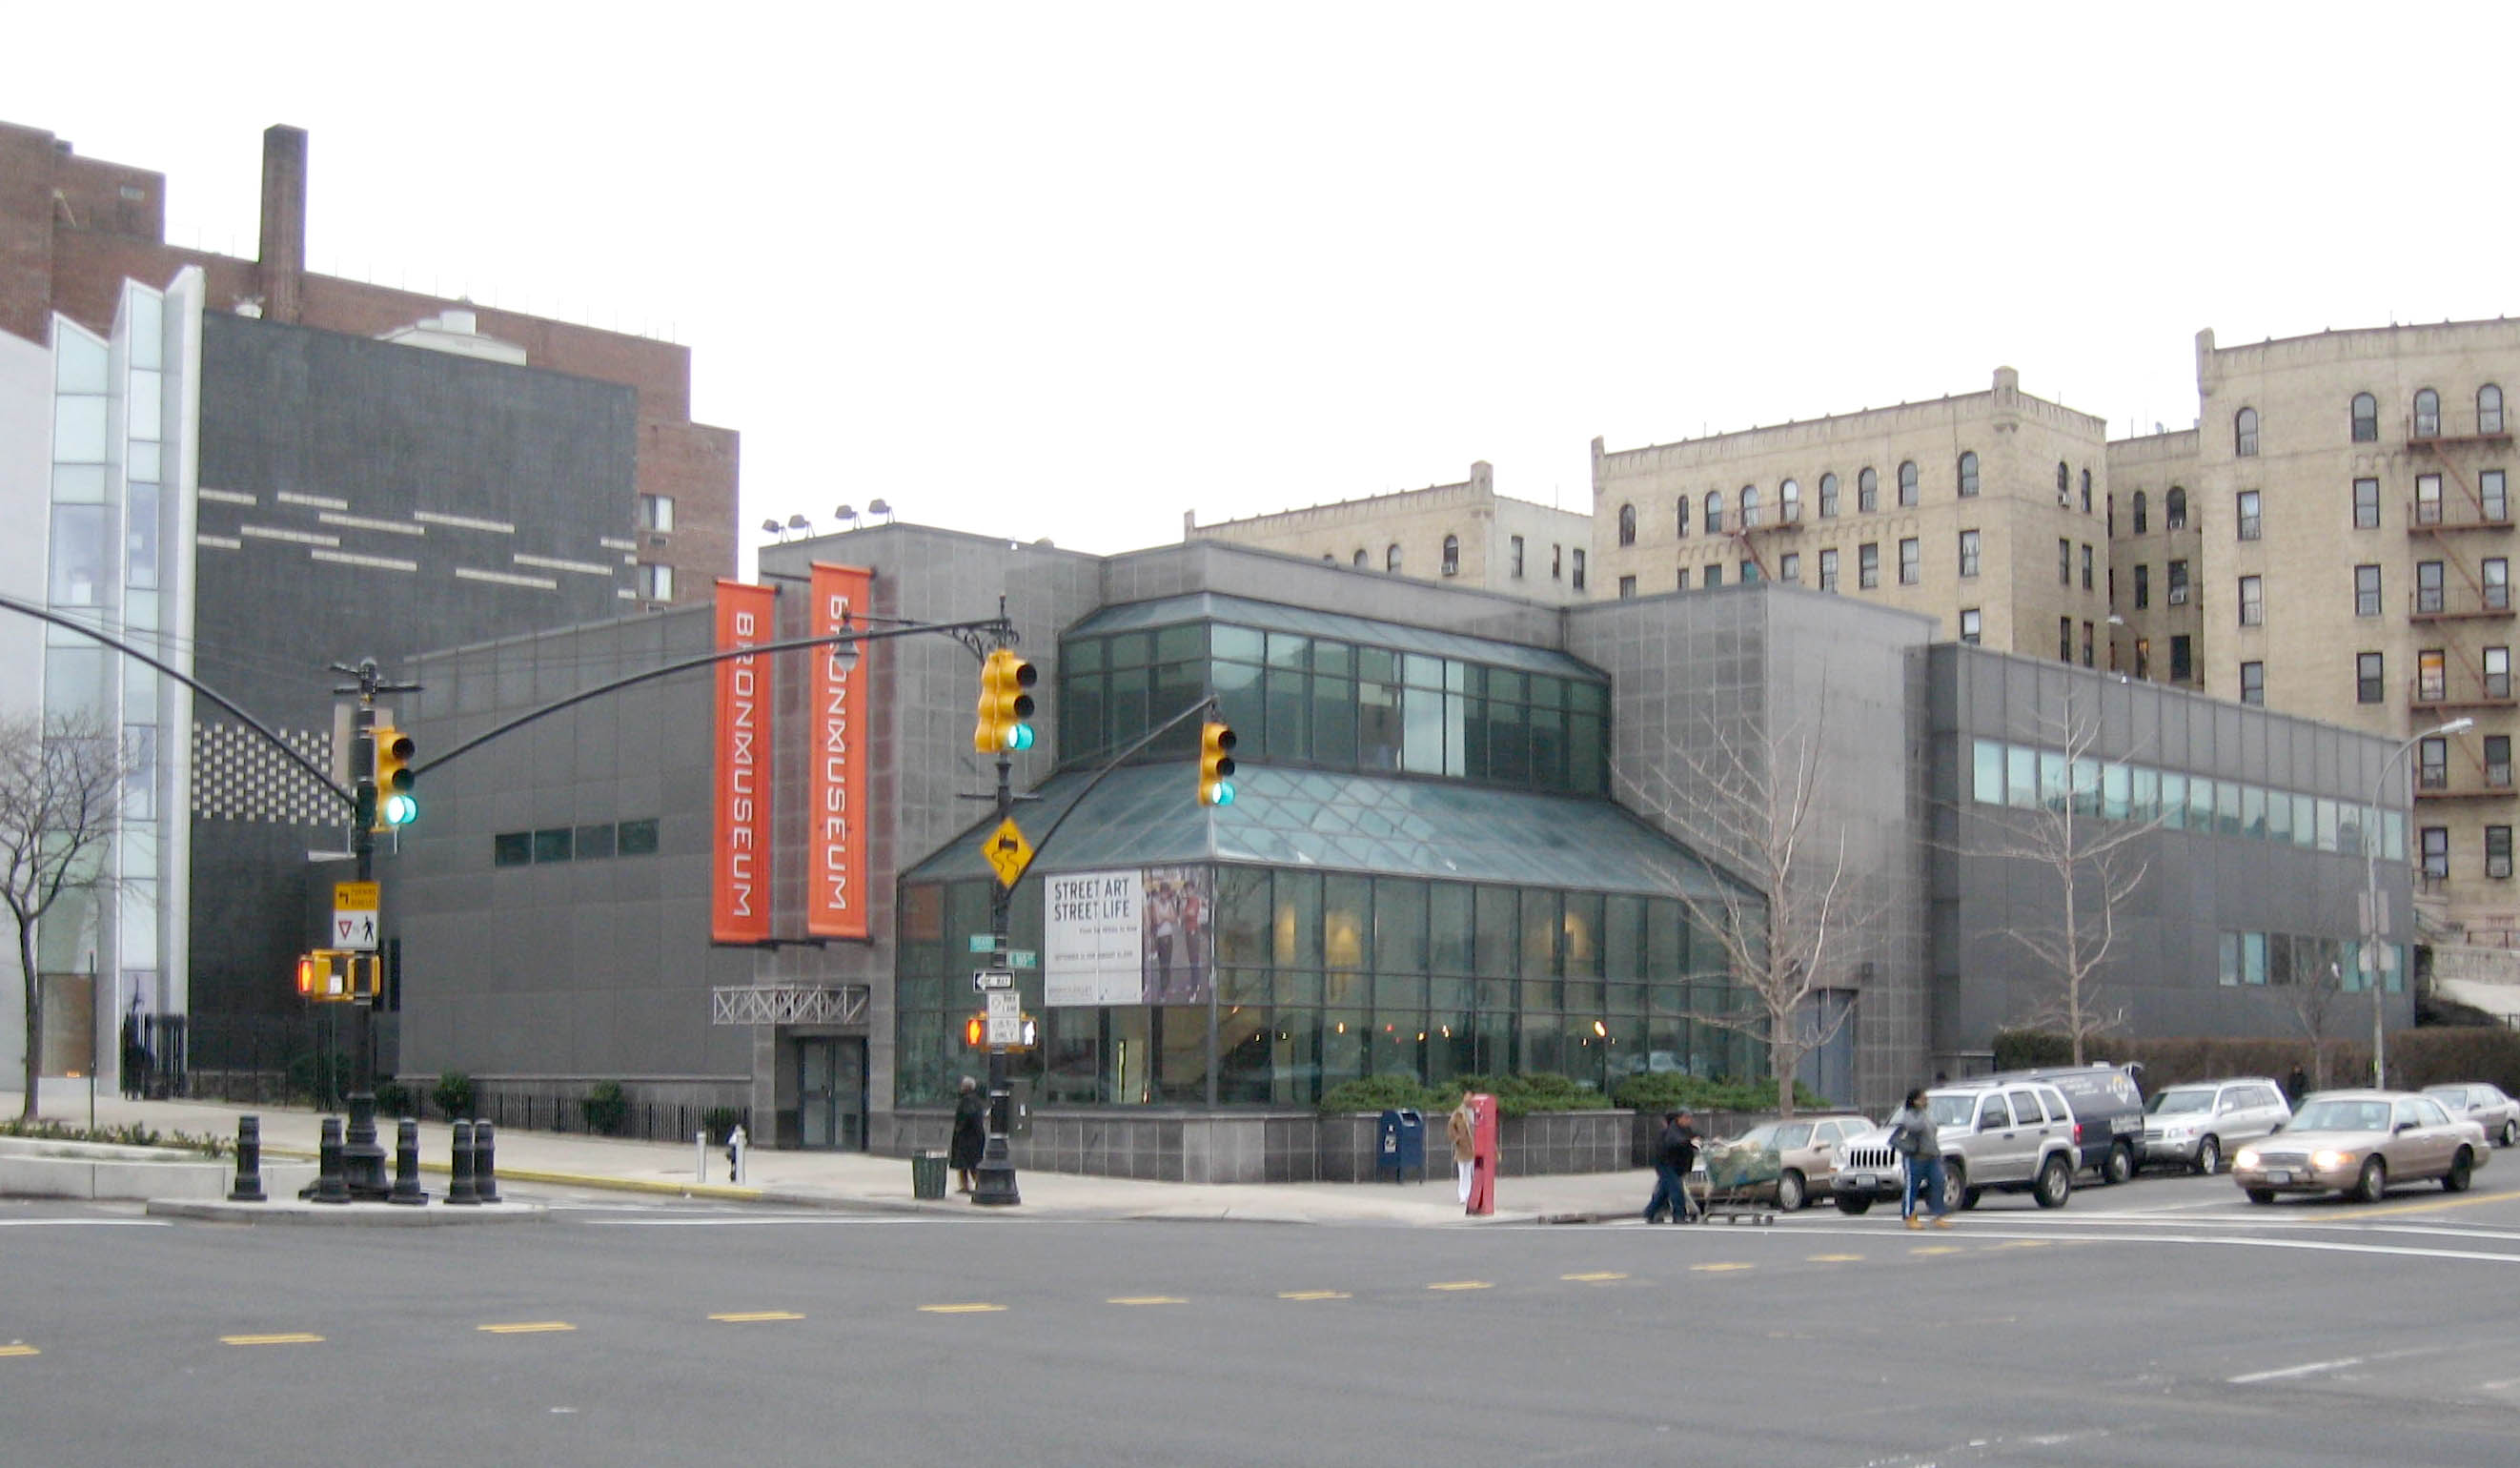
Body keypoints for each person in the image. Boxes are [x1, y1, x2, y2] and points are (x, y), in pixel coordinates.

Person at [1890, 1088, 1953, 1230]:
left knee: (1939, 1182)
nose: (1926, 1101)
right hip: (1915, 1157)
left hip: (1932, 1156)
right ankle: (1909, 1216)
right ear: (1915, 1101)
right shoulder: (1909, 1115)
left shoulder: (1926, 1115)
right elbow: (1915, 1127)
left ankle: (1939, 1215)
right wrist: (1922, 1112)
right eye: (1922, 1099)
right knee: (1912, 1187)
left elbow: (1933, 1130)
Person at [1643, 1108, 1700, 1224]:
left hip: (1677, 1165)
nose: (1689, 1120)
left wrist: (1702, 1140)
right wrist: (1689, 1142)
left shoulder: (1685, 1130)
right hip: (1666, 1164)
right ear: (1679, 1119)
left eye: (1690, 1118)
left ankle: (1650, 1212)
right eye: (1686, 1118)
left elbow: (1695, 1137)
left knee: (1664, 1191)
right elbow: (1675, 1142)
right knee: (1676, 1189)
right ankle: (1679, 1216)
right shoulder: (1673, 1130)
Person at [948, 1076, 987, 1194]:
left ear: (967, 1088)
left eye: (963, 1086)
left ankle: (977, 1185)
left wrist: (960, 1128)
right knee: (968, 1164)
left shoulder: (968, 1101)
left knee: (969, 1163)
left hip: (968, 1138)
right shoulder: (975, 1100)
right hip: (974, 1137)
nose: (961, 1088)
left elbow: (967, 1117)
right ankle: (967, 1185)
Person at [1448, 1094, 1478, 1204]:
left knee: (1469, 1172)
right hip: (1462, 1147)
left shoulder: (1475, 1112)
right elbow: (1451, 1128)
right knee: (1463, 1172)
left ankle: (1469, 1194)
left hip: (1472, 1146)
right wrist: (1457, 1139)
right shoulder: (1459, 1113)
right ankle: (1462, 1195)